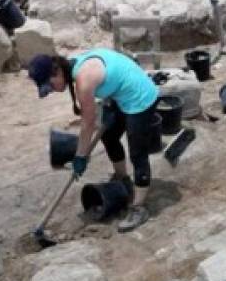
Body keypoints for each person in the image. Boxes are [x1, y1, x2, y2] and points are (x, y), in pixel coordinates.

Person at [28, 49, 160, 232]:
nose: (51, 90)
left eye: (49, 85)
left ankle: (139, 208)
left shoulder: (83, 80)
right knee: (109, 136)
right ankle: (123, 179)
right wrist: (109, 103)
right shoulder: (73, 66)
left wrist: (80, 157)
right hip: (120, 95)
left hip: (140, 97)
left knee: (138, 153)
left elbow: (87, 124)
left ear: (56, 72)